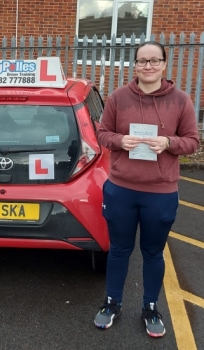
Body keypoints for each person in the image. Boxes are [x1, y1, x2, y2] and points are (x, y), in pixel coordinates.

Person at [94, 41, 200, 338]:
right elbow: (102, 133)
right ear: (135, 65)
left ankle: (151, 307)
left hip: (160, 193)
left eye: (154, 61)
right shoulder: (118, 97)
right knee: (118, 250)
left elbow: (192, 141)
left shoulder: (181, 101)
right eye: (142, 61)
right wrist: (119, 141)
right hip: (121, 189)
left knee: (153, 253)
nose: (148, 66)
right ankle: (112, 303)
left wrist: (169, 143)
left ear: (164, 64)